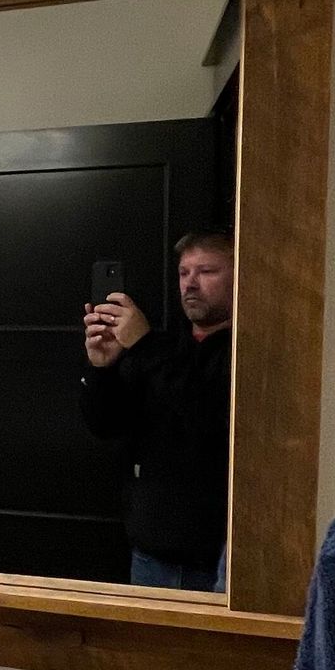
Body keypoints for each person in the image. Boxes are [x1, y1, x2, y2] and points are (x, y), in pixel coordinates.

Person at [80, 231, 235, 591]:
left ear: (240, 276)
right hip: (150, 555)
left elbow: (206, 419)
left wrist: (144, 345)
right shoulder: (163, 347)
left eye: (207, 271)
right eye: (184, 273)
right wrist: (101, 369)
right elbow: (105, 424)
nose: (190, 284)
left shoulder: (246, 351)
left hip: (219, 562)